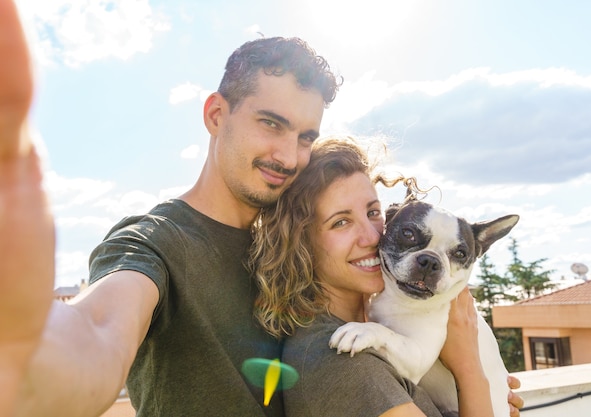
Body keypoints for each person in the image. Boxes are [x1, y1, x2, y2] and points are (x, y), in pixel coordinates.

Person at [0, 0, 341, 415]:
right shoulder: (155, 242)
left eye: (306, 137)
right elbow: (101, 326)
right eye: (271, 124)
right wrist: (35, 370)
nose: (289, 157)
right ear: (216, 115)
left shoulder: (292, 242)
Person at [249, 137, 524, 417]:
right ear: (301, 240)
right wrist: (471, 374)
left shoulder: (366, 322)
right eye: (340, 222)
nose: (371, 236)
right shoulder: (345, 361)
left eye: (373, 213)